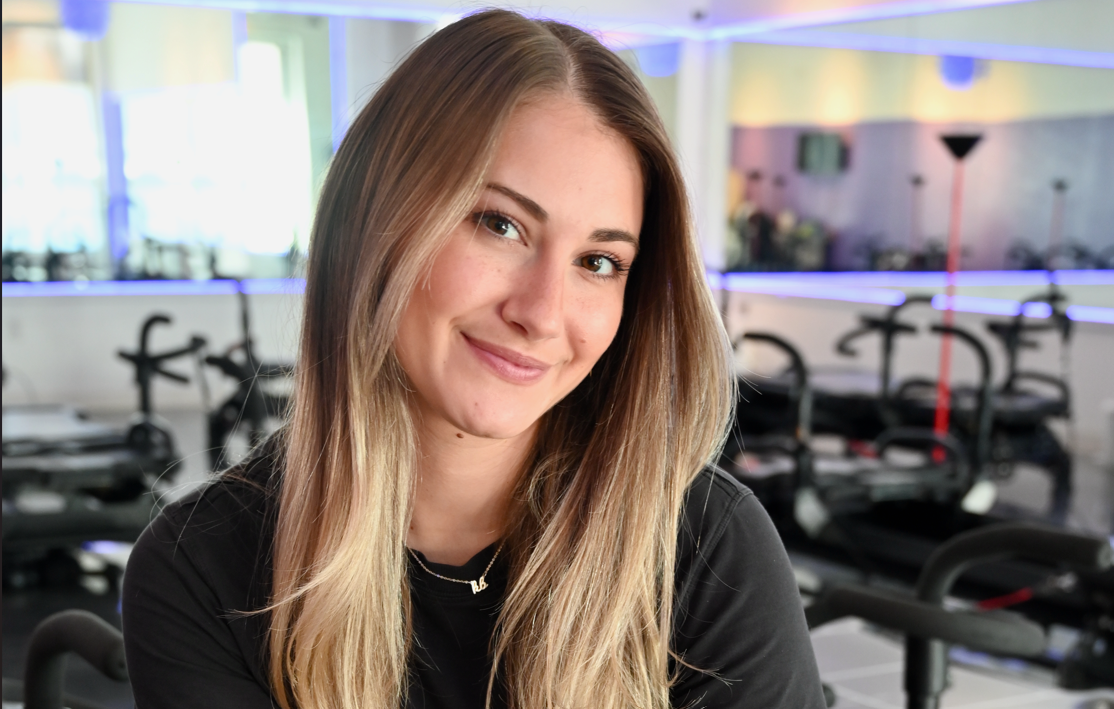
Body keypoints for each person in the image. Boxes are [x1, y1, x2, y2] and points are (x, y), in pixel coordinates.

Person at [122, 9, 826, 709]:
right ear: (379, 218)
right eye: (501, 224)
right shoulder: (202, 568)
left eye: (599, 261)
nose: (542, 312)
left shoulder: (708, 549)